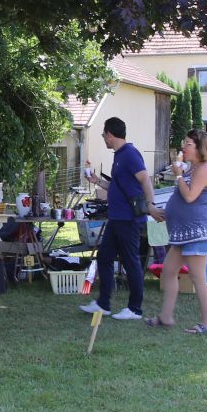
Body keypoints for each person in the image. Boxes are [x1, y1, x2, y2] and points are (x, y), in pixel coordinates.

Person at [79, 116, 161, 321]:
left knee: (131, 262)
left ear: (109, 134)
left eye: (103, 135)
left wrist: (150, 206)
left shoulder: (130, 154)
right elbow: (116, 186)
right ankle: (103, 304)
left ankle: (135, 309)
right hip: (116, 219)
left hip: (129, 220)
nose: (103, 139)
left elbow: (145, 180)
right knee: (104, 257)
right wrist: (96, 180)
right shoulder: (119, 156)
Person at [148, 129, 207, 334]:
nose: (183, 148)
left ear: (199, 148)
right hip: (183, 233)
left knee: (198, 278)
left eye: (188, 144)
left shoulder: (204, 169)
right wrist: (167, 212)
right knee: (168, 272)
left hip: (198, 232)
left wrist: (178, 176)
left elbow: (189, 197)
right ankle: (166, 317)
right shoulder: (192, 168)